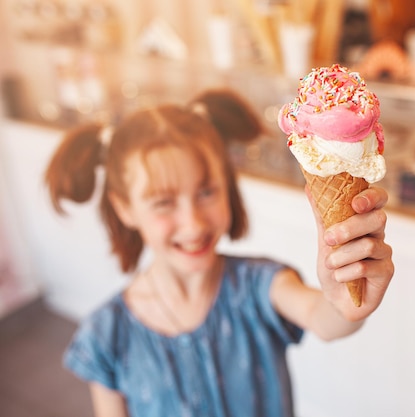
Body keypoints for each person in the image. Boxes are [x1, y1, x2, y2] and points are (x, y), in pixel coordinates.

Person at [45, 89, 394, 417]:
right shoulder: (106, 337)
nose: (193, 223)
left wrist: (346, 303)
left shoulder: (259, 286)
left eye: (207, 192)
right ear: (124, 208)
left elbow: (325, 319)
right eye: (164, 203)